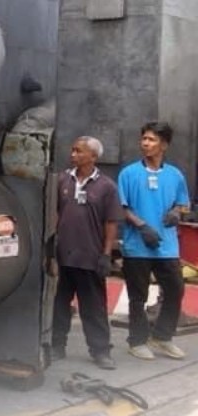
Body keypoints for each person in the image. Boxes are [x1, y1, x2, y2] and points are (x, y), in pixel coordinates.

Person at [118, 121, 190, 360]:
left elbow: (183, 204)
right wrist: (142, 226)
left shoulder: (175, 175)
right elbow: (122, 207)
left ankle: (162, 337)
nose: (146, 144)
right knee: (137, 297)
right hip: (137, 246)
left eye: (151, 140)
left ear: (164, 145)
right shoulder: (129, 173)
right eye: (144, 139)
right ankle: (137, 341)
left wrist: (176, 213)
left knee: (175, 290)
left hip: (167, 247)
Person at [51, 136, 121, 370]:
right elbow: (55, 214)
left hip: (89, 257)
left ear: (93, 156)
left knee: (94, 308)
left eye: (79, 151)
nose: (73, 155)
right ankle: (56, 346)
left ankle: (101, 351)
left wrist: (106, 254)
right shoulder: (62, 180)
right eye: (72, 150)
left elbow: (111, 222)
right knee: (59, 306)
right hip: (63, 256)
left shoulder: (106, 187)